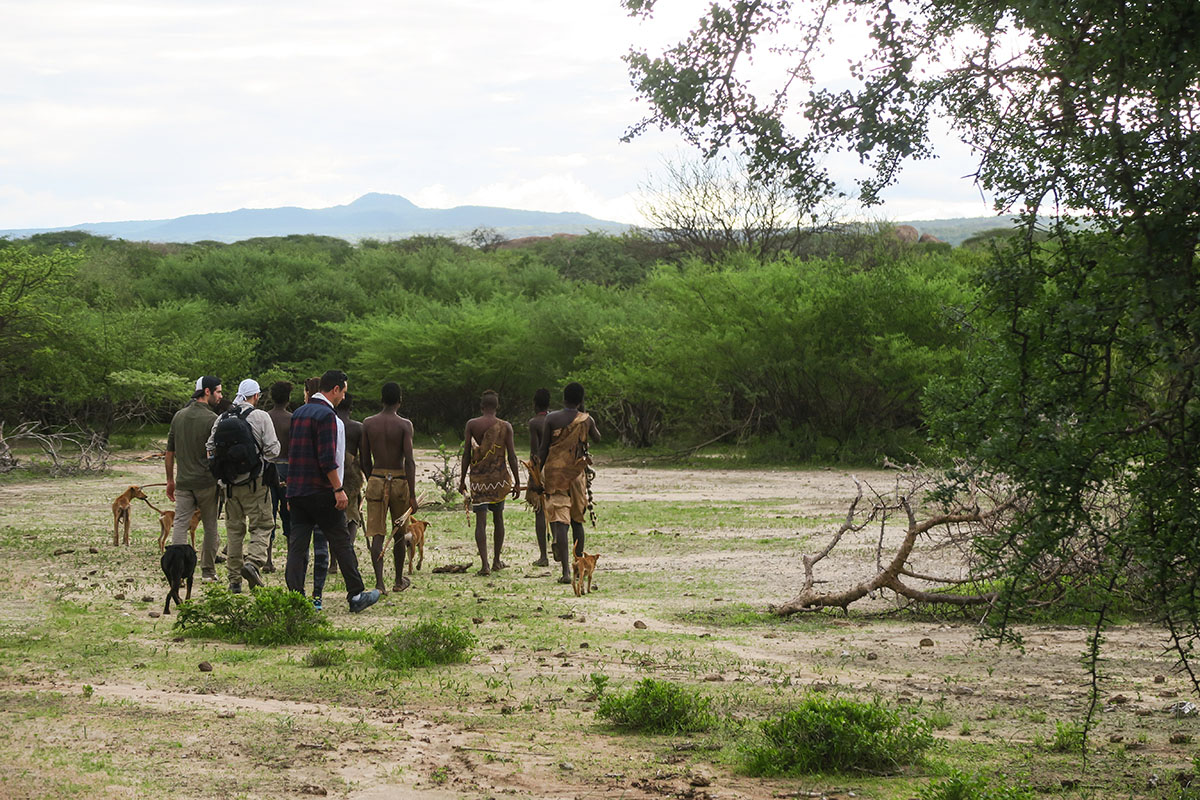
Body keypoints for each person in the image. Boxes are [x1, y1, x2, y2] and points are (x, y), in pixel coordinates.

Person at [284, 370, 380, 613]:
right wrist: (338, 488)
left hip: (298, 492)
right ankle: (356, 594)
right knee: (341, 541)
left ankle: (295, 598)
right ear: (334, 389)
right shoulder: (327, 416)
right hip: (322, 491)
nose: (342, 397)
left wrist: (290, 493)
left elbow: (293, 456)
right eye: (343, 392)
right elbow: (327, 458)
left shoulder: (298, 413)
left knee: (297, 547)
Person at [207, 378, 280, 593]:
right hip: (255, 484)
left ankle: (234, 581)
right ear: (256, 396)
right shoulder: (261, 416)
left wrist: (221, 473)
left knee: (234, 532)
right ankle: (254, 562)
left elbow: (210, 448)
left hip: (229, 486)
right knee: (263, 525)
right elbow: (273, 450)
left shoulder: (222, 418)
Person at [538, 382, 601, 584]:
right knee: (577, 521)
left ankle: (566, 572)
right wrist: (584, 417)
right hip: (576, 476)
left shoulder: (551, 418)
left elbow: (543, 449)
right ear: (581, 400)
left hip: (555, 475)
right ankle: (579, 568)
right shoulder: (586, 419)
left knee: (560, 522)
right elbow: (597, 438)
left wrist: (536, 475)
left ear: (563, 398)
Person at [165, 376, 224, 582]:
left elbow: (169, 452)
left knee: (180, 524)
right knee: (210, 526)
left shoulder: (178, 416)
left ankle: (178, 572)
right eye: (218, 391)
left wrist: (170, 480)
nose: (221, 396)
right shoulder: (213, 419)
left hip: (183, 481)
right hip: (206, 482)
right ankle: (208, 571)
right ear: (206, 392)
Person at [361, 381, 417, 592]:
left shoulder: (368, 423)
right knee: (400, 533)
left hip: (376, 478)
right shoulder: (404, 425)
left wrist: (373, 479)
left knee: (377, 533)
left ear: (382, 400)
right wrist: (412, 493)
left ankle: (379, 583)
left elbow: (365, 459)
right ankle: (398, 580)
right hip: (400, 482)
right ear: (399, 401)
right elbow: (409, 461)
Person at [458, 390, 520, 576]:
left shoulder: (472, 424)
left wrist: (461, 480)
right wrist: (517, 481)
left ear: (482, 406)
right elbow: (512, 456)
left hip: (478, 481)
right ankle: (496, 561)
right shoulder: (505, 426)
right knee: (498, 518)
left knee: (481, 522)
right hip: (498, 481)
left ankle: (484, 565)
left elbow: (467, 454)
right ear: (497, 406)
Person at [329, 392, 365, 576]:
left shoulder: (328, 422)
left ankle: (334, 563)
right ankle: (347, 553)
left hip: (331, 471)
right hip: (351, 474)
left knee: (334, 517)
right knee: (352, 516)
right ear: (351, 407)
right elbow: (364, 457)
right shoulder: (357, 428)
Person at [264, 380, 293, 573]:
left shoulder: (265, 417)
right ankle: (292, 556)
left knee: (269, 513)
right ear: (289, 398)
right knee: (290, 514)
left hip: (268, 468)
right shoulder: (293, 419)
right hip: (288, 468)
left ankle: (268, 559)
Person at [526, 388, 551, 566]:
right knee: (557, 510)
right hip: (557, 469)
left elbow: (535, 452)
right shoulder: (556, 420)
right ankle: (557, 546)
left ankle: (544, 556)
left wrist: (533, 477)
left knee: (540, 512)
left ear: (535, 404)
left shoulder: (535, 422)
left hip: (540, 470)